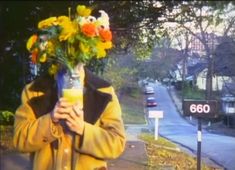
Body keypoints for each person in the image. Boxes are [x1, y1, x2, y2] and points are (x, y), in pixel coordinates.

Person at [13, 64, 126, 170]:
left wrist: (83, 130)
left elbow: (116, 144)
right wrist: (50, 120)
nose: (71, 49)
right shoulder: (34, 91)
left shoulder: (104, 91)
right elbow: (19, 140)